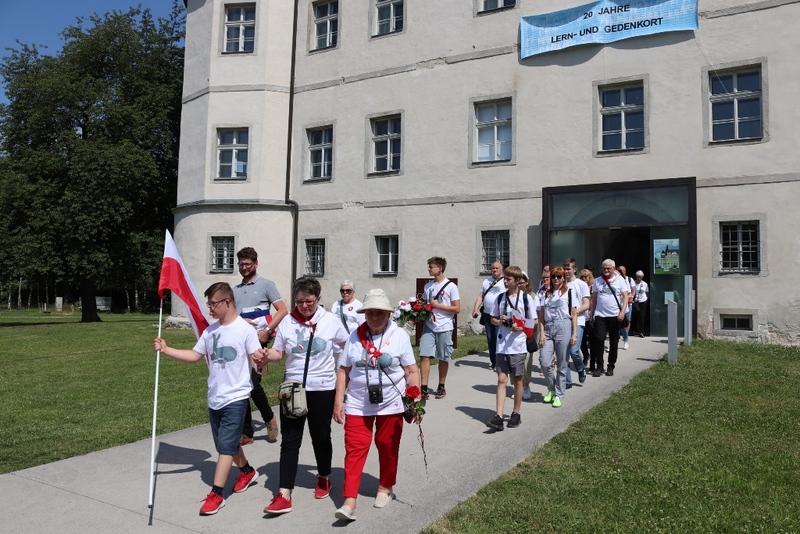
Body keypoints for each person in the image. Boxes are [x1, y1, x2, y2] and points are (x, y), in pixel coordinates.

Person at [153, 282, 262, 516]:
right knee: (226, 444)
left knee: (225, 447)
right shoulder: (210, 331)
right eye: (208, 304)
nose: (210, 308)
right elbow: (194, 355)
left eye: (213, 304)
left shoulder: (245, 330)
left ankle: (217, 494)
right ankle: (247, 472)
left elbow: (257, 359)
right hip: (215, 397)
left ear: (227, 302)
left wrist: (261, 359)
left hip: (236, 397)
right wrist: (166, 349)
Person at [258, 277, 349, 515]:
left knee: (321, 436)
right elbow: (279, 352)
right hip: (293, 389)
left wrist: (348, 375)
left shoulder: (331, 321)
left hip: (323, 388)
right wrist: (267, 355)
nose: (304, 306)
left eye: (309, 301)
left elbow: (348, 346)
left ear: (318, 299)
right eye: (299, 302)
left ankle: (324, 476)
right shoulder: (288, 322)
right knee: (290, 439)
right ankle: (284, 493)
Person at [332, 289, 422, 521]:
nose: (374, 317)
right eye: (370, 312)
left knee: (387, 445)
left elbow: (411, 371)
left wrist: (415, 400)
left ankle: (385, 487)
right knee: (355, 448)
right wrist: (338, 401)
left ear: (388, 314)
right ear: (364, 314)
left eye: (379, 313)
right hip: (358, 403)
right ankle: (349, 500)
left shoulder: (399, 335)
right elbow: (344, 370)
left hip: (391, 403)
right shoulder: (354, 336)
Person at [233, 247, 288, 446]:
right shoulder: (235, 290)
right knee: (243, 384)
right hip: (240, 341)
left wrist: (268, 330)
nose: (244, 267)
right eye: (241, 264)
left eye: (248, 264)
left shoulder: (266, 284)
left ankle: (268, 418)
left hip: (259, 341)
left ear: (256, 264)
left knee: (252, 383)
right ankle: (247, 432)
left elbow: (282, 310)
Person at [485, 266, 538, 431]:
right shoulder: (500, 298)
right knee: (501, 379)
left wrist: (520, 327)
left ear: (517, 281)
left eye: (508, 279)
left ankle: (516, 413)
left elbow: (534, 321)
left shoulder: (525, 298)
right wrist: (501, 321)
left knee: (517, 380)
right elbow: (492, 319)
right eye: (504, 279)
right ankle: (499, 416)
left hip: (518, 344)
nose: (505, 282)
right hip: (502, 345)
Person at [419, 256, 460, 400]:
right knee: (424, 355)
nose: (429, 269)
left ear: (440, 268)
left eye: (431, 267)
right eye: (429, 267)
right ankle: (423, 388)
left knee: (443, 357)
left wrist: (439, 306)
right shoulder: (428, 286)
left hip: (444, 326)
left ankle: (441, 386)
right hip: (429, 325)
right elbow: (425, 305)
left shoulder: (451, 286)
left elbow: (457, 308)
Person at [537, 267, 578, 408]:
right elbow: (541, 316)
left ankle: (559, 394)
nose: (556, 279)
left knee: (562, 363)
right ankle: (551, 387)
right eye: (553, 276)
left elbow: (574, 314)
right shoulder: (545, 294)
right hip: (548, 327)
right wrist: (542, 333)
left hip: (563, 325)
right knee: (544, 361)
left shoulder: (569, 293)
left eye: (559, 276)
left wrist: (574, 333)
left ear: (563, 278)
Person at [589, 259, 630, 377]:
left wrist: (622, 312)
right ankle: (599, 366)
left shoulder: (620, 280)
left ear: (613, 268)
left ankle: (611, 366)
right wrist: (591, 315)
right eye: (604, 268)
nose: (606, 270)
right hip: (600, 315)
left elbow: (625, 297)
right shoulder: (597, 281)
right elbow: (594, 299)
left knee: (613, 342)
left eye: (608, 268)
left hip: (615, 316)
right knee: (599, 339)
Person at [471, 261, 505, 371]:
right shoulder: (486, 281)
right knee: (490, 338)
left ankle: (500, 362)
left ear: (501, 269)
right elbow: (481, 296)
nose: (494, 270)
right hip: (487, 314)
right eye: (493, 268)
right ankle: (493, 362)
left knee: (498, 337)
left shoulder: (505, 281)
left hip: (499, 315)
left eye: (496, 268)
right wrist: (475, 309)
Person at [563, 258, 589, 385]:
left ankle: (580, 368)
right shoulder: (561, 284)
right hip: (564, 322)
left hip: (578, 321)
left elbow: (587, 304)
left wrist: (575, 312)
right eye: (565, 269)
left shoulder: (581, 284)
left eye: (568, 269)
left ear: (574, 269)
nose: (566, 271)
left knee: (574, 351)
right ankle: (567, 380)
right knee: (564, 353)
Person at [330, 280, 365, 360]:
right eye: (342, 291)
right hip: (335, 346)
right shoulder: (336, 304)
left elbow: (363, 327)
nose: (345, 293)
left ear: (353, 292)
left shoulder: (358, 306)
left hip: (349, 345)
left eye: (348, 290)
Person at [519, 271, 537, 401]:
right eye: (517, 282)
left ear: (527, 283)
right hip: (513, 334)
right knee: (514, 363)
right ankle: (518, 386)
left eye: (521, 282)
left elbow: (536, 319)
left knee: (526, 361)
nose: (519, 285)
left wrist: (525, 327)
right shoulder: (509, 296)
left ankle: (525, 386)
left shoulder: (532, 297)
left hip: (527, 333)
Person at [578, 269, 596, 373]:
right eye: (582, 277)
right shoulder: (579, 287)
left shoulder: (593, 288)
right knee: (582, 340)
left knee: (593, 340)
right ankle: (585, 355)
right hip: (582, 317)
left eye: (586, 277)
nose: (584, 279)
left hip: (591, 316)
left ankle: (593, 362)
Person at [617, 265, 635, 350]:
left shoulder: (625, 281)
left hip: (624, 307)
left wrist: (629, 297)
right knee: (614, 327)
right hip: (614, 308)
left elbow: (628, 294)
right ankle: (614, 343)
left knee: (624, 326)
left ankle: (626, 341)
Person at [632, 270, 649, 337]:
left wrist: (646, 299)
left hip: (643, 301)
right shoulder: (633, 283)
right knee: (635, 316)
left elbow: (647, 292)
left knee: (642, 316)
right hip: (635, 301)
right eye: (638, 277)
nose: (639, 278)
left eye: (640, 277)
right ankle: (634, 329)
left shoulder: (645, 284)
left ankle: (641, 332)